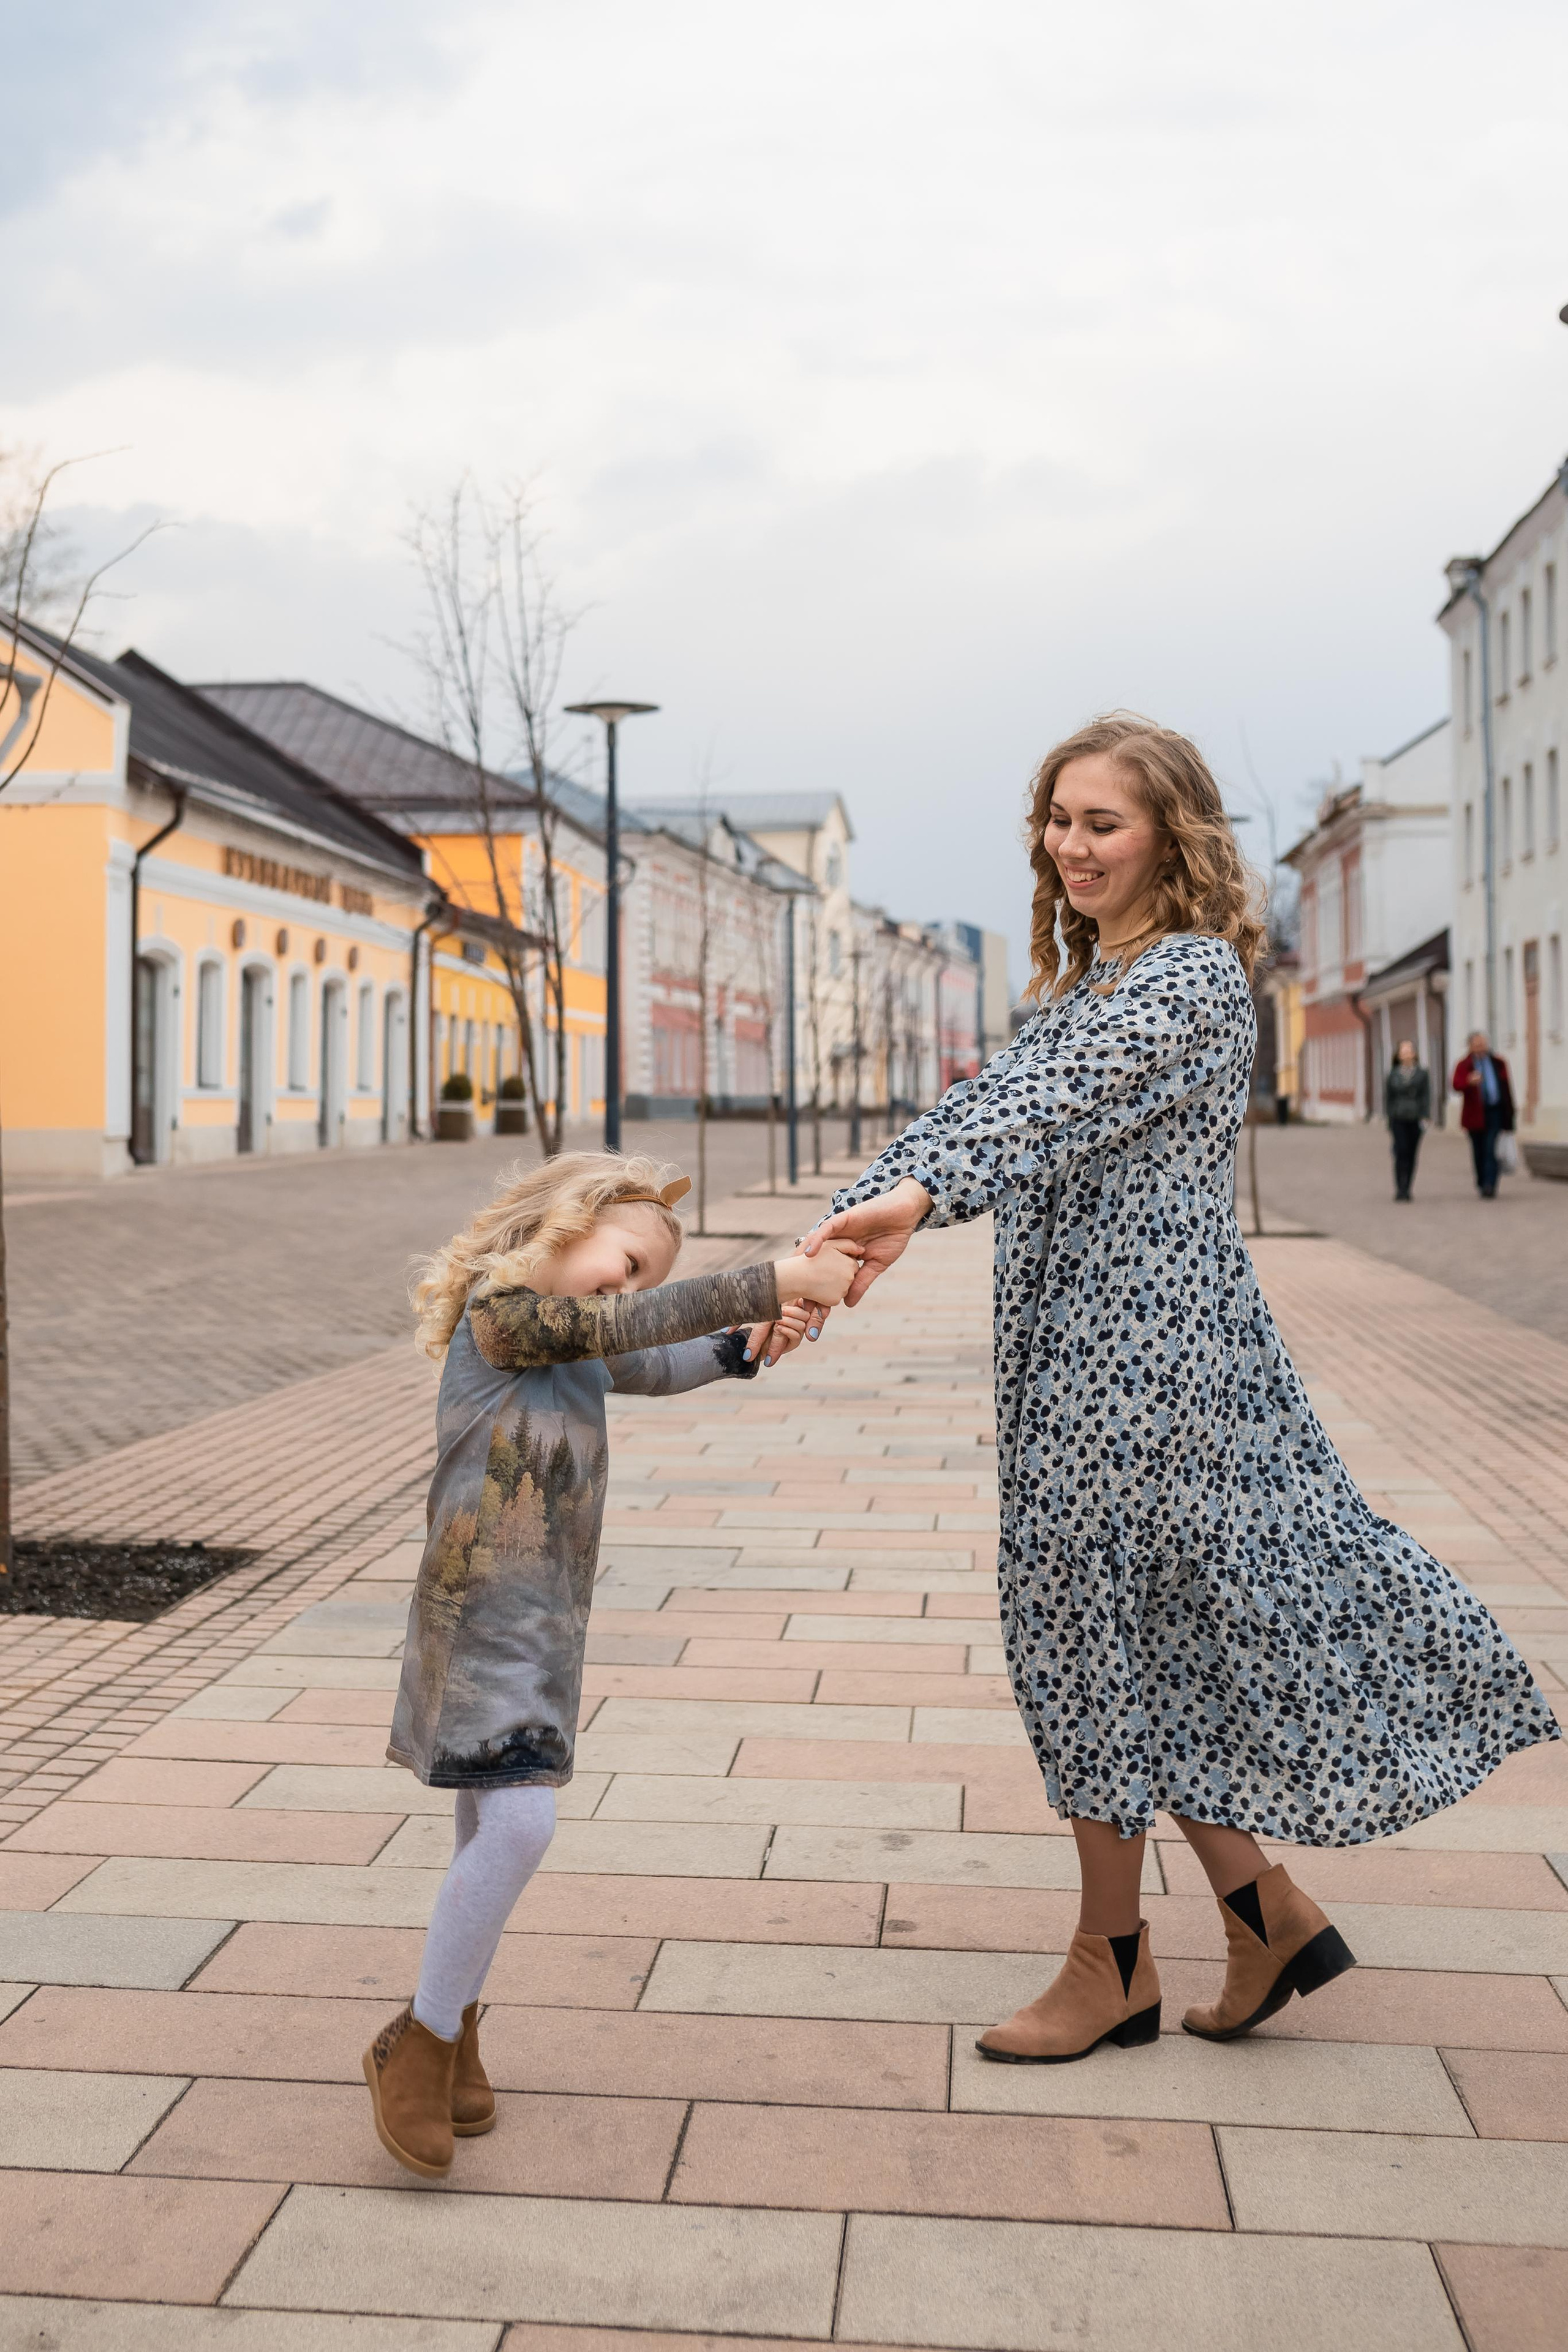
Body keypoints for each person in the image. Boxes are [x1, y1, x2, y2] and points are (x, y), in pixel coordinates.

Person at [804, 712, 1559, 2066]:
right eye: (1057, 819)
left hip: (1140, 1368)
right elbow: (976, 1109)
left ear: (1171, 835)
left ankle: (1110, 1965)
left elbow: (1029, 1118)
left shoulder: (1188, 984)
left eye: (1102, 822)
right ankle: (1261, 1910)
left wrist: (902, 1205)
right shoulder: (1087, 985)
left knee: (1080, 1631)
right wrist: (854, 1221)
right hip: (1082, 1358)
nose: (1070, 845)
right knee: (1132, 1636)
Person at [363, 1153, 859, 2176]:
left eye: (640, 1277)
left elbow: (653, 1358)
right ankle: (419, 2044)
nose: (627, 1290)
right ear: (564, 1223)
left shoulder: (578, 1340)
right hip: (477, 1623)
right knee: (520, 1826)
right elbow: (617, 1329)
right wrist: (770, 1280)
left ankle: (452, 2036)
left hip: (543, 1631)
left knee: (486, 1838)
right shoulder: (505, 1318)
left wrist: (749, 1344)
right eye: (625, 1261)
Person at [1452, 1031, 1514, 1199]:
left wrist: (1510, 1114)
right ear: (1471, 1047)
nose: (1481, 1047)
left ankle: (1490, 1185)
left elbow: (1507, 1088)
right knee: (1478, 1150)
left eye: (1483, 1043)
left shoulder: (1498, 1063)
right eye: (1477, 1044)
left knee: (1490, 1149)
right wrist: (1468, 1082)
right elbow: (1456, 1085)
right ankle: (1481, 1181)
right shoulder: (1464, 1065)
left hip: (1495, 1111)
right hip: (1474, 1115)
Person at [1384, 1038, 1430, 1201]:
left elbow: (1426, 1096)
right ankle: (1400, 1187)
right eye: (1404, 1051)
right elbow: (1388, 1099)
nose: (1407, 1054)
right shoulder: (1393, 1075)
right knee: (1401, 1151)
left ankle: (1408, 1186)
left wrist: (1425, 1116)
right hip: (1399, 1117)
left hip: (1415, 1117)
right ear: (1398, 1055)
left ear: (1415, 1054)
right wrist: (1389, 1118)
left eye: (1410, 1051)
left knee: (1412, 1153)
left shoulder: (1422, 1074)